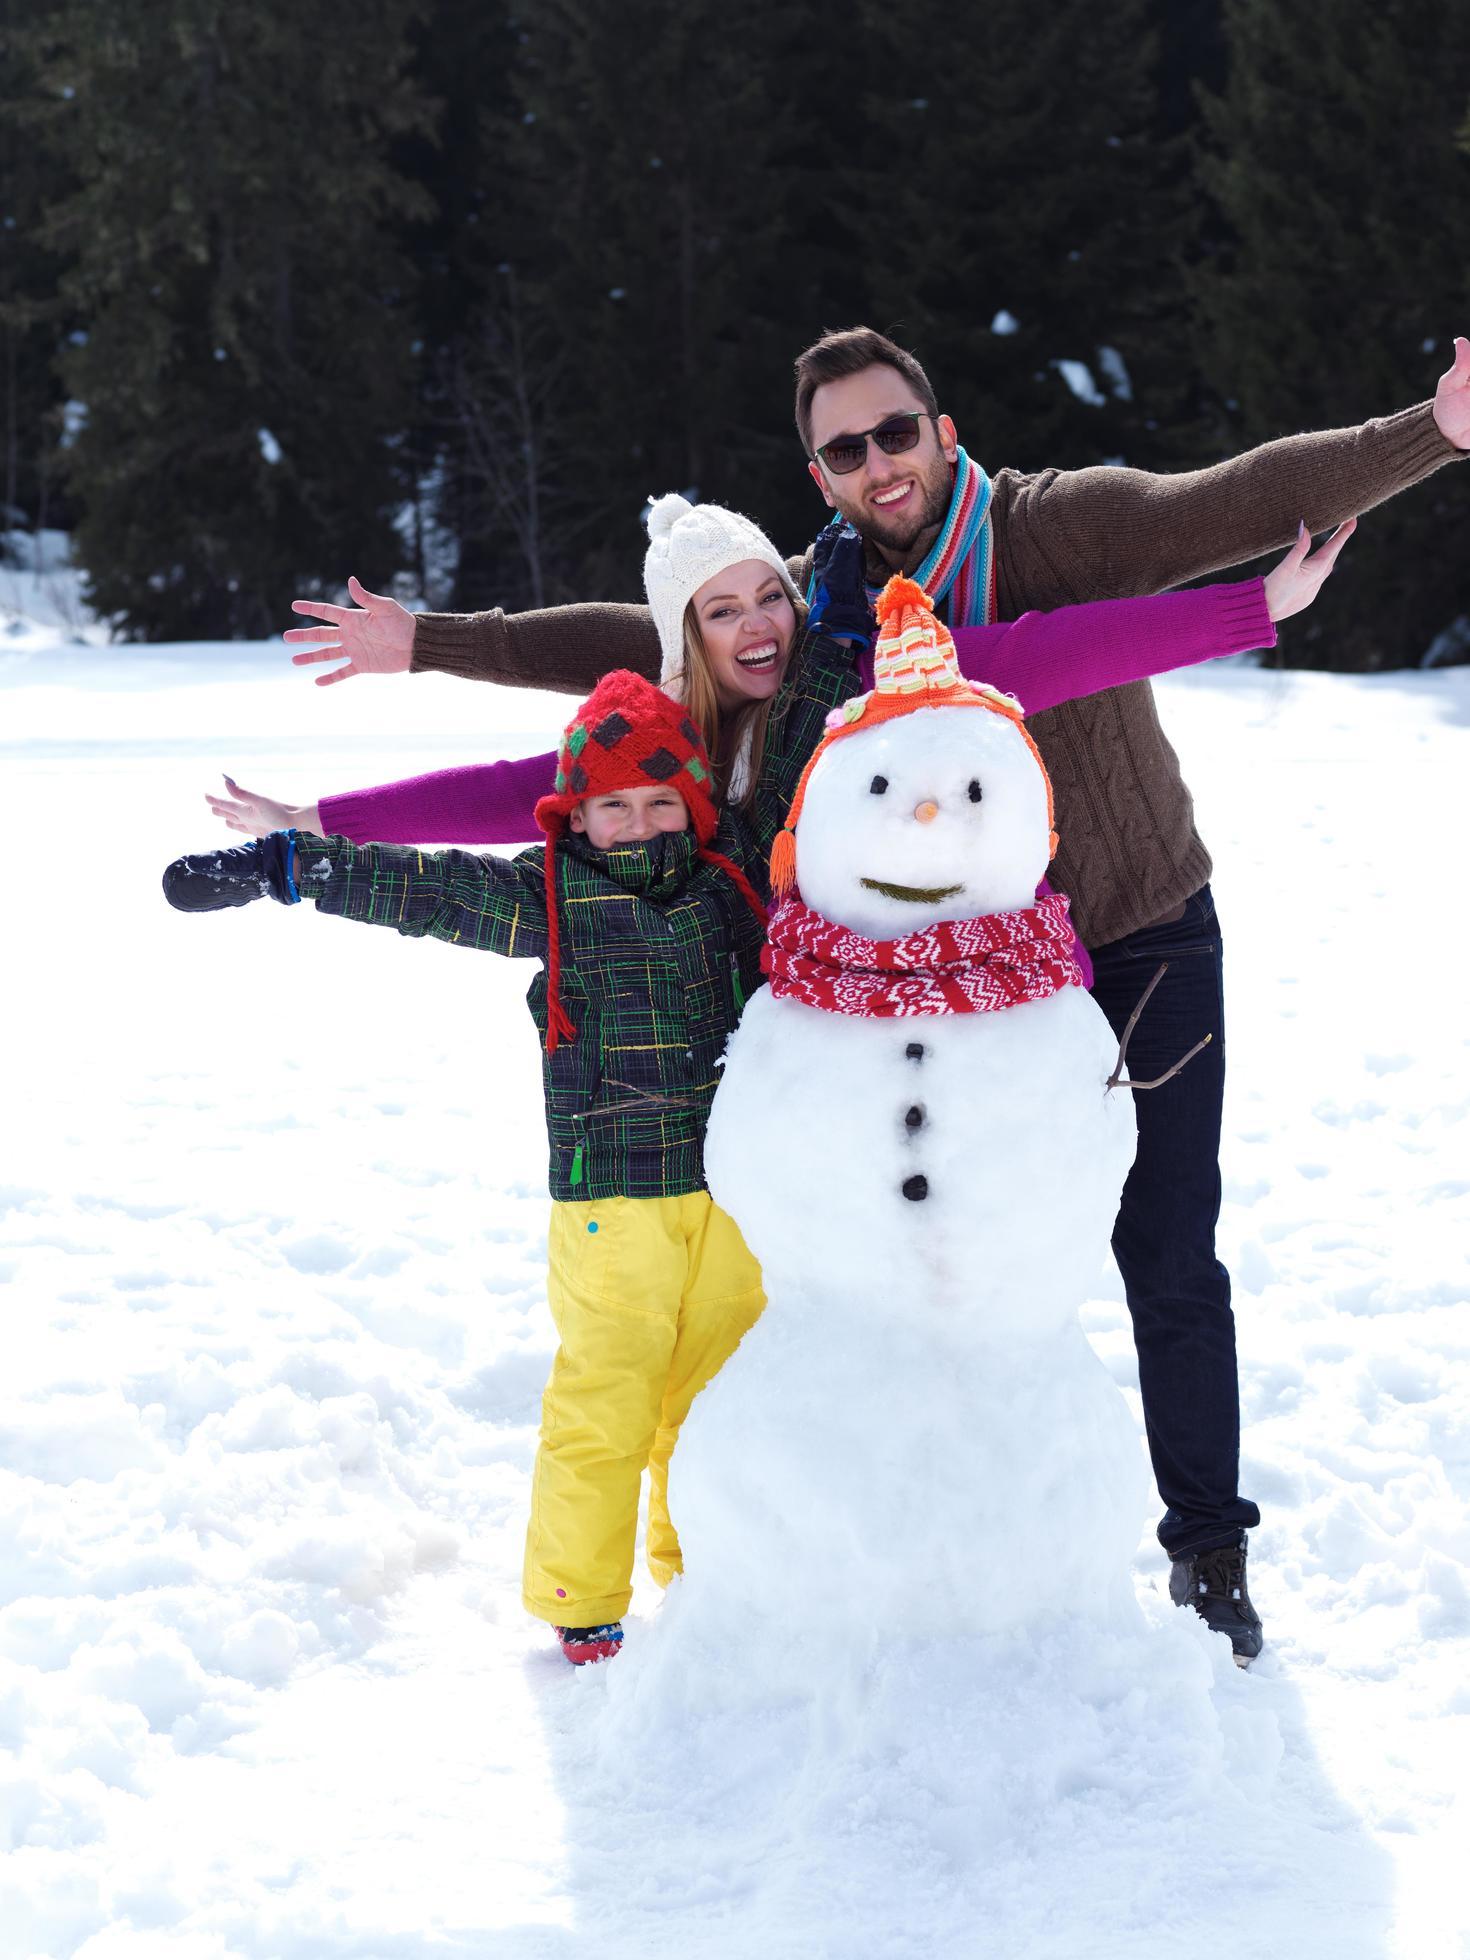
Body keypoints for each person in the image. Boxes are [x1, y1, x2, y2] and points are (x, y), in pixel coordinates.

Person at [272, 332, 1470, 1663]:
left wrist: (1432, 432)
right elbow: (637, 652)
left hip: (1132, 932)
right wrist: (423, 651)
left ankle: (1206, 1550)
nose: (878, 464)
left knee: (1164, 1252)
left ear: (939, 429)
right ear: (818, 473)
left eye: (894, 432)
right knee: (939, 1271)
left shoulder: (1043, 530)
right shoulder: (819, 613)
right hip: (958, 996)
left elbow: (1211, 514)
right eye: (846, 449)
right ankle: (931, 1546)